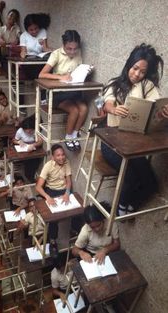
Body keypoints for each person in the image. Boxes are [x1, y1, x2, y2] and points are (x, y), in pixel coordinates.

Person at [102, 43, 167, 216]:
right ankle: (121, 206)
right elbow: (107, 103)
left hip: (136, 143)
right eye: (135, 68)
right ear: (129, 64)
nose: (137, 74)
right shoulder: (114, 84)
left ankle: (130, 204)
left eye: (142, 71)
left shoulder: (147, 86)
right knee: (129, 176)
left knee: (151, 183)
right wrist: (114, 109)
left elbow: (156, 109)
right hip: (111, 142)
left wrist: (163, 112)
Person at [39, 30, 88, 151]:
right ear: (63, 45)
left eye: (75, 48)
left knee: (84, 109)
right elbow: (42, 74)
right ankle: (67, 137)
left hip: (72, 91)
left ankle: (74, 135)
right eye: (69, 48)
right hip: (58, 93)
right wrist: (61, 77)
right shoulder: (56, 54)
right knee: (74, 110)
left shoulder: (78, 54)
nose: (72, 51)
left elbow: (77, 71)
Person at [36, 144, 72, 256]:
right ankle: (53, 241)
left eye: (62, 154)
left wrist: (67, 193)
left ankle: (74, 232)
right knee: (53, 217)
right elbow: (38, 187)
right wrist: (48, 197)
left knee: (76, 209)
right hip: (51, 191)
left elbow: (69, 181)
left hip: (63, 190)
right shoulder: (48, 166)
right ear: (53, 157)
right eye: (58, 155)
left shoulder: (67, 163)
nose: (61, 157)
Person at [13, 114, 43, 181]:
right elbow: (14, 140)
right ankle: (29, 176)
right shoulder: (20, 131)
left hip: (34, 149)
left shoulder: (35, 130)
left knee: (34, 162)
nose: (29, 132)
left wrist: (33, 145)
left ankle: (30, 177)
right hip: (24, 150)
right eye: (27, 131)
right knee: (27, 162)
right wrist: (19, 142)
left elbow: (40, 141)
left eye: (30, 130)